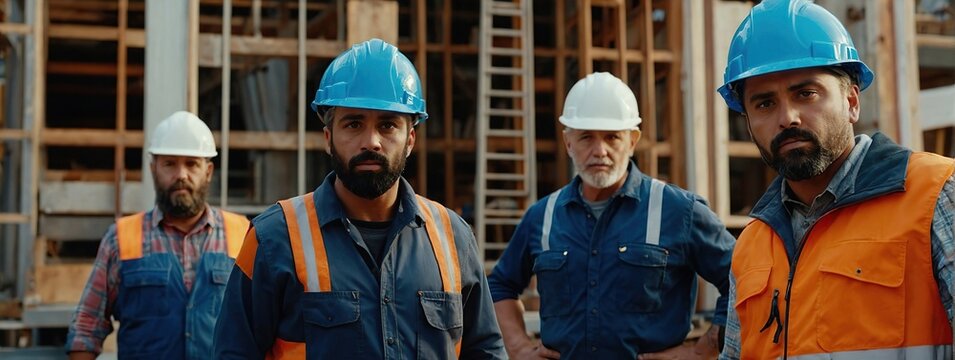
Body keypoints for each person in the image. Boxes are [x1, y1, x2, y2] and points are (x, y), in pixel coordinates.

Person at [212, 38, 506, 359]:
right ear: (328, 138)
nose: (371, 142)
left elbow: (485, 351)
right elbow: (234, 351)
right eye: (353, 124)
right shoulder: (274, 237)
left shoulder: (454, 237)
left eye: (387, 125)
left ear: (410, 140)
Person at [717, 0, 955, 359]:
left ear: (852, 101)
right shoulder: (752, 244)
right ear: (747, 120)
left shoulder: (934, 194)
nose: (788, 117)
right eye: (765, 104)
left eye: (805, 93)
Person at [487, 72, 735, 359]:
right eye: (586, 137)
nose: (600, 151)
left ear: (632, 141)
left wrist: (703, 351)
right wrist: (518, 348)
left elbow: (743, 278)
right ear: (568, 143)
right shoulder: (542, 217)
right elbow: (500, 286)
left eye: (612, 137)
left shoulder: (679, 211)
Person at [65, 111, 250, 359]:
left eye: (192, 164)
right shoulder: (121, 238)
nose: (181, 175)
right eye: (169, 163)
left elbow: (266, 323)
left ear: (208, 171)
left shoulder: (243, 235)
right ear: (153, 169)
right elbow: (87, 326)